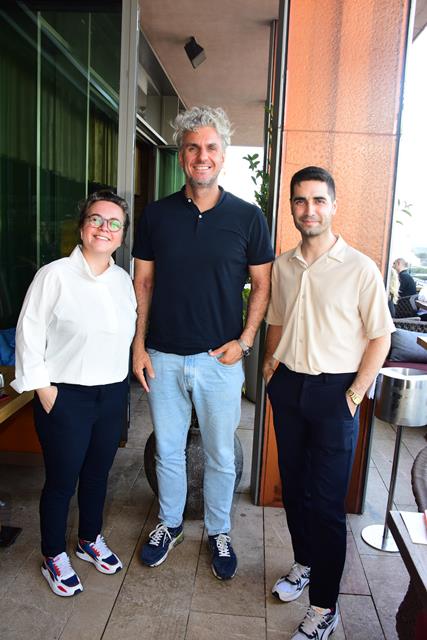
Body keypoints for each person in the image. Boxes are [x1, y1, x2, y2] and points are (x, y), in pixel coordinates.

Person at [132, 105, 274, 580]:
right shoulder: (157, 215)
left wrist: (245, 342)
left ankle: (219, 530)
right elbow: (143, 282)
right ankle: (170, 523)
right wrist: (139, 346)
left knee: (220, 454)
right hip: (163, 356)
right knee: (167, 450)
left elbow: (263, 285)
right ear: (181, 156)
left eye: (211, 147)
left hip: (220, 360)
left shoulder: (248, 217)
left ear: (223, 154)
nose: (202, 156)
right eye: (192, 147)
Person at [263, 166, 394, 639]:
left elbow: (380, 337)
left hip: (336, 393)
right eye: (300, 201)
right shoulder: (283, 265)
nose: (309, 209)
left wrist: (354, 395)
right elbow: (277, 319)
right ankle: (305, 563)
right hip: (289, 388)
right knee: (295, 489)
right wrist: (271, 367)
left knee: (326, 504)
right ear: (291, 207)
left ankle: (324, 607)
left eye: (319, 200)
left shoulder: (360, 268)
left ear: (334, 206)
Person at [11, 191, 137, 597]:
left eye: (114, 223)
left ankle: (88, 539)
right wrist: (44, 389)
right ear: (82, 226)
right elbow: (28, 332)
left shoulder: (122, 281)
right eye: (96, 219)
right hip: (66, 396)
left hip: (111, 394)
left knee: (98, 475)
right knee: (62, 481)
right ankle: (53, 554)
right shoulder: (55, 275)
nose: (104, 228)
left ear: (122, 236)